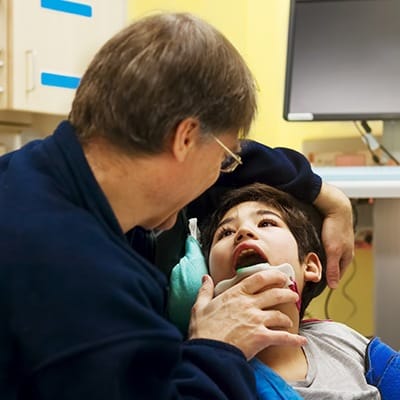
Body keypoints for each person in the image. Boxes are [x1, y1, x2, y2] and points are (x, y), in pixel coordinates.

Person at [0, 11, 354, 400]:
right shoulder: (86, 282)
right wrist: (219, 346)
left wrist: (326, 195)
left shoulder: (30, 171)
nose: (223, 173)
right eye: (223, 160)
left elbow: (249, 161)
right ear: (184, 138)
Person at [199, 182, 399, 400]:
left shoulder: (339, 340)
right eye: (225, 232)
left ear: (311, 267)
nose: (243, 232)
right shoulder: (205, 374)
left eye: (266, 223)